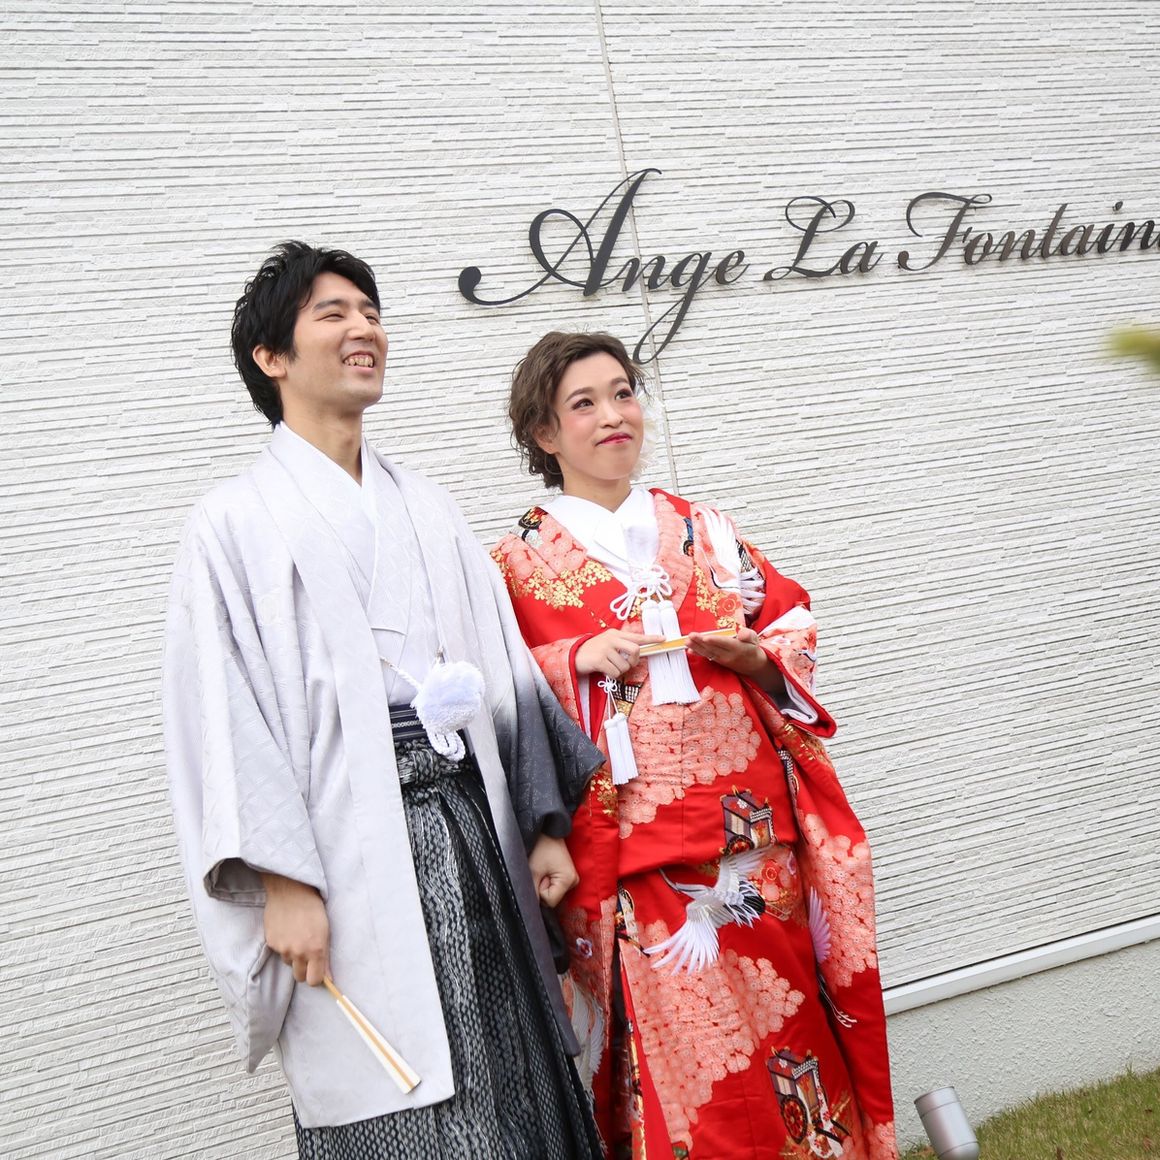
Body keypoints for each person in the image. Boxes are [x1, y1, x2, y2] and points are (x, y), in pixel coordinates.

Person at [162, 243, 605, 1159]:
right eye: (332, 314)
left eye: (370, 311)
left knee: (517, 1076)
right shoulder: (232, 525)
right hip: (340, 851)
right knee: (401, 1094)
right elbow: (223, 721)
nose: (363, 328)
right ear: (271, 357)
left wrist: (541, 822)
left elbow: (502, 668)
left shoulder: (427, 505)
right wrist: (282, 884)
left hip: (474, 830)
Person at [490, 331, 898, 1160]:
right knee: (695, 1076)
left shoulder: (705, 529)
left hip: (754, 844)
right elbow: (495, 687)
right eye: (584, 403)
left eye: (623, 392)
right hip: (634, 857)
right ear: (543, 432)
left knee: (789, 1034)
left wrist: (757, 656)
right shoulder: (515, 565)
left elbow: (789, 618)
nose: (614, 415)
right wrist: (573, 657)